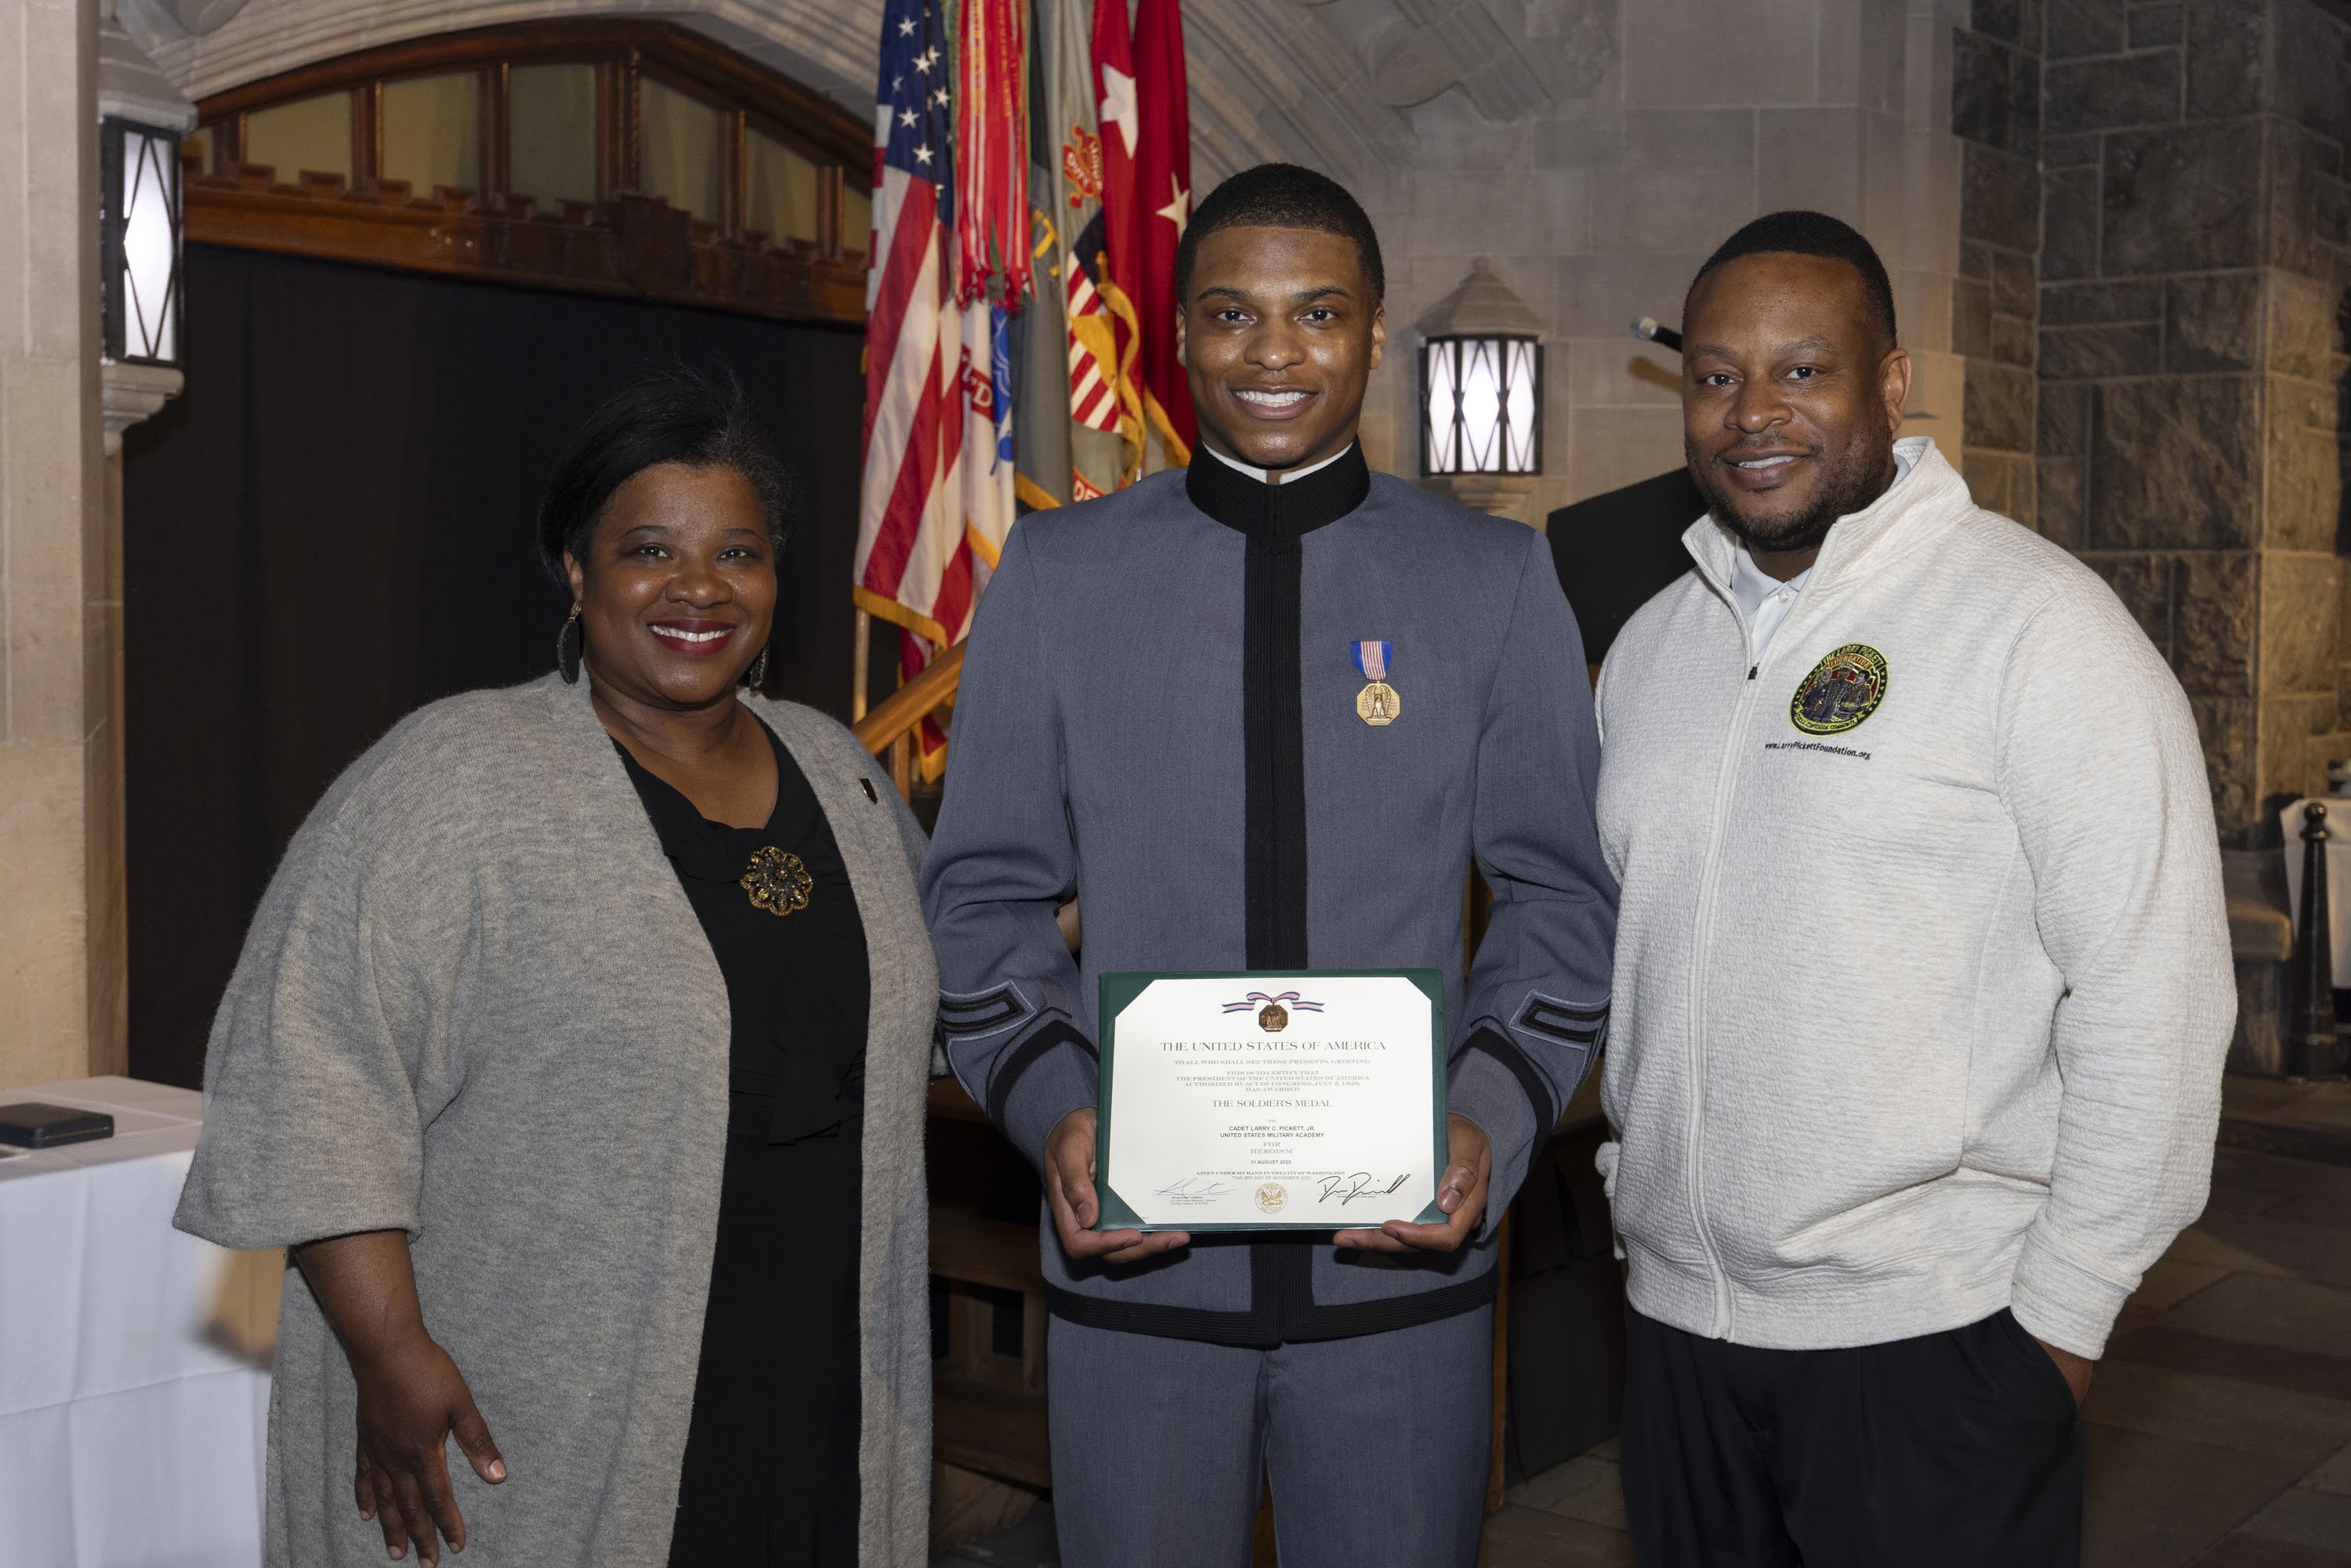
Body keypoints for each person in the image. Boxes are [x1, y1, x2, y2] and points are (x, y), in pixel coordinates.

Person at [920, 164, 1617, 1568]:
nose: (1275, 352)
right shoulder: (1058, 577)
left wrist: (1486, 1110)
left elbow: (1557, 897)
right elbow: (983, 897)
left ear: (1370, 336)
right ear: (1177, 338)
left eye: (1319, 314)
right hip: (1142, 1277)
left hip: (1400, 1282)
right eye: (1234, 313)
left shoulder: (1491, 579)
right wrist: (1059, 1104)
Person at [174, 370, 937, 1568]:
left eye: (737, 550)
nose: (699, 586)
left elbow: (943, 976)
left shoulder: (838, 768)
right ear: (577, 572)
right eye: (650, 549)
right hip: (540, 1403)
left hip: (813, 1376)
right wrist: (390, 1356)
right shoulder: (454, 779)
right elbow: (309, 1080)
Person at [1593, 210, 2233, 1565]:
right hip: (1677, 1344)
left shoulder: (2037, 628)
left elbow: (2156, 1002)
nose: (1753, 412)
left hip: (1932, 1349)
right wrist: (1631, 1189)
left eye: (1802, 369)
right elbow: (1641, 968)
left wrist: (2060, 1323)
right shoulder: (1649, 653)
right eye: (1716, 375)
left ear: (1888, 383)